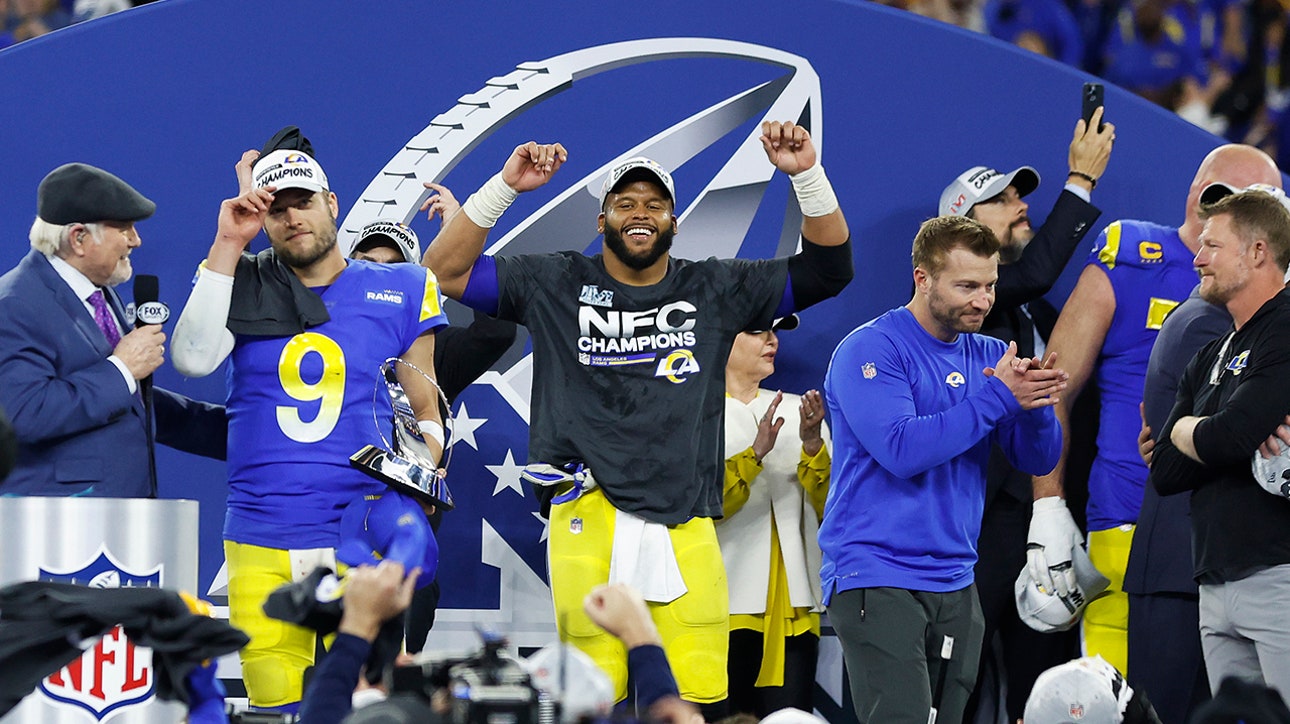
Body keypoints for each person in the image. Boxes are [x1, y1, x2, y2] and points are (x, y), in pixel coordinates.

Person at [423, 121, 853, 713]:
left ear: (675, 220)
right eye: (624, 203)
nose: (640, 213)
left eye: (655, 203)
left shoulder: (714, 287)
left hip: (687, 519)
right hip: (585, 513)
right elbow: (444, 271)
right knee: (588, 701)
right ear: (601, 220)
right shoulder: (555, 280)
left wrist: (807, 175)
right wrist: (504, 187)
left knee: (695, 697)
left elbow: (831, 270)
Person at [170, 142, 449, 713]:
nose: (293, 216)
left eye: (305, 202)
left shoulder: (401, 286)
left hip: (359, 526)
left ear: (332, 203)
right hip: (260, 532)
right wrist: (228, 242)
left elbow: (424, 399)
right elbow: (193, 358)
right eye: (279, 208)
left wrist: (428, 459)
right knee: (274, 706)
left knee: (363, 706)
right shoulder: (240, 279)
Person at [1030, 143, 1282, 677]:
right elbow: (1052, 387)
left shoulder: (1272, 304)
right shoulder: (1132, 259)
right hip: (1131, 519)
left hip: (1240, 534)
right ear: (1205, 198)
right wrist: (1048, 507)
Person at [821, 215, 1065, 724]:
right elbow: (902, 450)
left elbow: (1036, 459)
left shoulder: (993, 354)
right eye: (967, 286)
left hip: (956, 579)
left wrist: (1036, 403)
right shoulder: (871, 350)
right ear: (922, 278)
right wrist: (1001, 396)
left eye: (991, 285)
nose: (983, 300)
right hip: (876, 574)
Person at [938, 108, 1113, 722]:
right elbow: (1034, 270)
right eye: (1001, 198)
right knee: (953, 684)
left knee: (1042, 684)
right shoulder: (963, 299)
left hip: (1041, 521)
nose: (1018, 204)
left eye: (1019, 194)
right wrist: (1080, 182)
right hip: (976, 526)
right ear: (960, 233)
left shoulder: (1043, 312)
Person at [1128, 178, 1283, 723]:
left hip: (1278, 573)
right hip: (1214, 579)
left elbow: (1228, 438)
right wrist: (1205, 431)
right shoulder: (1210, 351)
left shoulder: (1284, 327)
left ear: (1258, 251)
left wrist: (1187, 427)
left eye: (1212, 245)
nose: (1196, 258)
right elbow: (1168, 474)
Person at [0, 163, 226, 497]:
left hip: (119, 523)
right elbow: (23, 414)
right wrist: (120, 368)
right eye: (124, 228)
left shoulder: (97, 293)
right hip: (60, 531)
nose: (136, 240)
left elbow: (127, 402)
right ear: (79, 238)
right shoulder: (14, 304)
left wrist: (239, 435)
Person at [717, 316, 830, 718]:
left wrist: (814, 444)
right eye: (755, 330)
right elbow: (701, 505)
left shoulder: (803, 410)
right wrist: (754, 455)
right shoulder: (694, 413)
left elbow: (829, 506)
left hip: (795, 610)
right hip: (721, 606)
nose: (771, 340)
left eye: (774, 331)